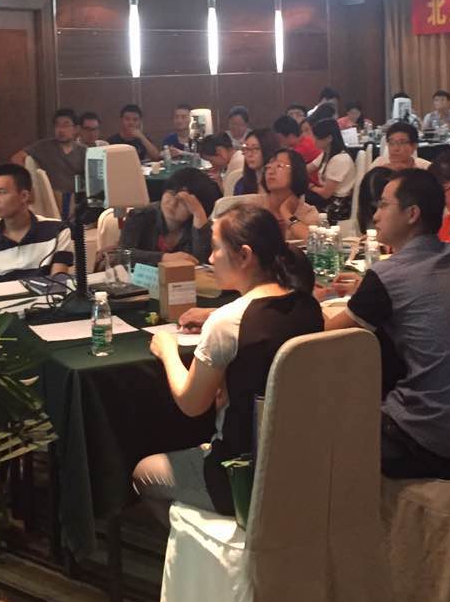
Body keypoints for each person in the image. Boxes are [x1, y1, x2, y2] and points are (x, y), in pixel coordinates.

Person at [132, 205, 322, 521]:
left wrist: (167, 350)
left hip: (241, 473)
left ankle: (213, 546)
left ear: (244, 255)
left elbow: (191, 404)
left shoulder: (228, 322)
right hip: (304, 460)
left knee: (143, 473)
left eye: (216, 248)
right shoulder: (308, 305)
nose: (210, 258)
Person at [325, 170, 450, 479]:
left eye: (383, 205)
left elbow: (322, 340)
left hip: (424, 435)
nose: (375, 216)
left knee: (319, 423)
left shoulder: (388, 276)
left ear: (412, 214)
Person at [0, 163, 73, 285]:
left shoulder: (57, 231)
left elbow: (58, 285)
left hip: (47, 297)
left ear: (24, 196)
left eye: (1, 192)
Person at [119, 167, 221, 267]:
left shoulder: (200, 225)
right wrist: (163, 258)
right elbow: (122, 255)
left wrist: (198, 215)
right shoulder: (140, 215)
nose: (173, 203)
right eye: (171, 193)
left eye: (183, 202)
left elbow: (202, 263)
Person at [11, 108, 87, 196]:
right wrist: (28, 183)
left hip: (78, 197)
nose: (60, 130)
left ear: (76, 129)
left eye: (65, 125)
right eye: (57, 125)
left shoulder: (84, 151)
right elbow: (16, 158)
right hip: (52, 197)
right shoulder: (43, 146)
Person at [263, 147, 322, 241]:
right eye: (268, 167)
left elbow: (314, 242)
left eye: (279, 166)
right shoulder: (252, 206)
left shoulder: (308, 213)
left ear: (296, 172)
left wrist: (286, 212)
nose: (270, 172)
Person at [306, 118, 357, 220]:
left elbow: (326, 194)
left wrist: (310, 186)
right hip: (330, 199)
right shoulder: (327, 153)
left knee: (300, 202)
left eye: (317, 138)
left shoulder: (340, 159)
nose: (313, 141)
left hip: (338, 205)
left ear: (329, 138)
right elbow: (308, 168)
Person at [232, 128, 279, 196]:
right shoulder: (241, 185)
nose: (249, 154)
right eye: (247, 149)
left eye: (256, 149)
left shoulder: (280, 183)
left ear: (268, 150)